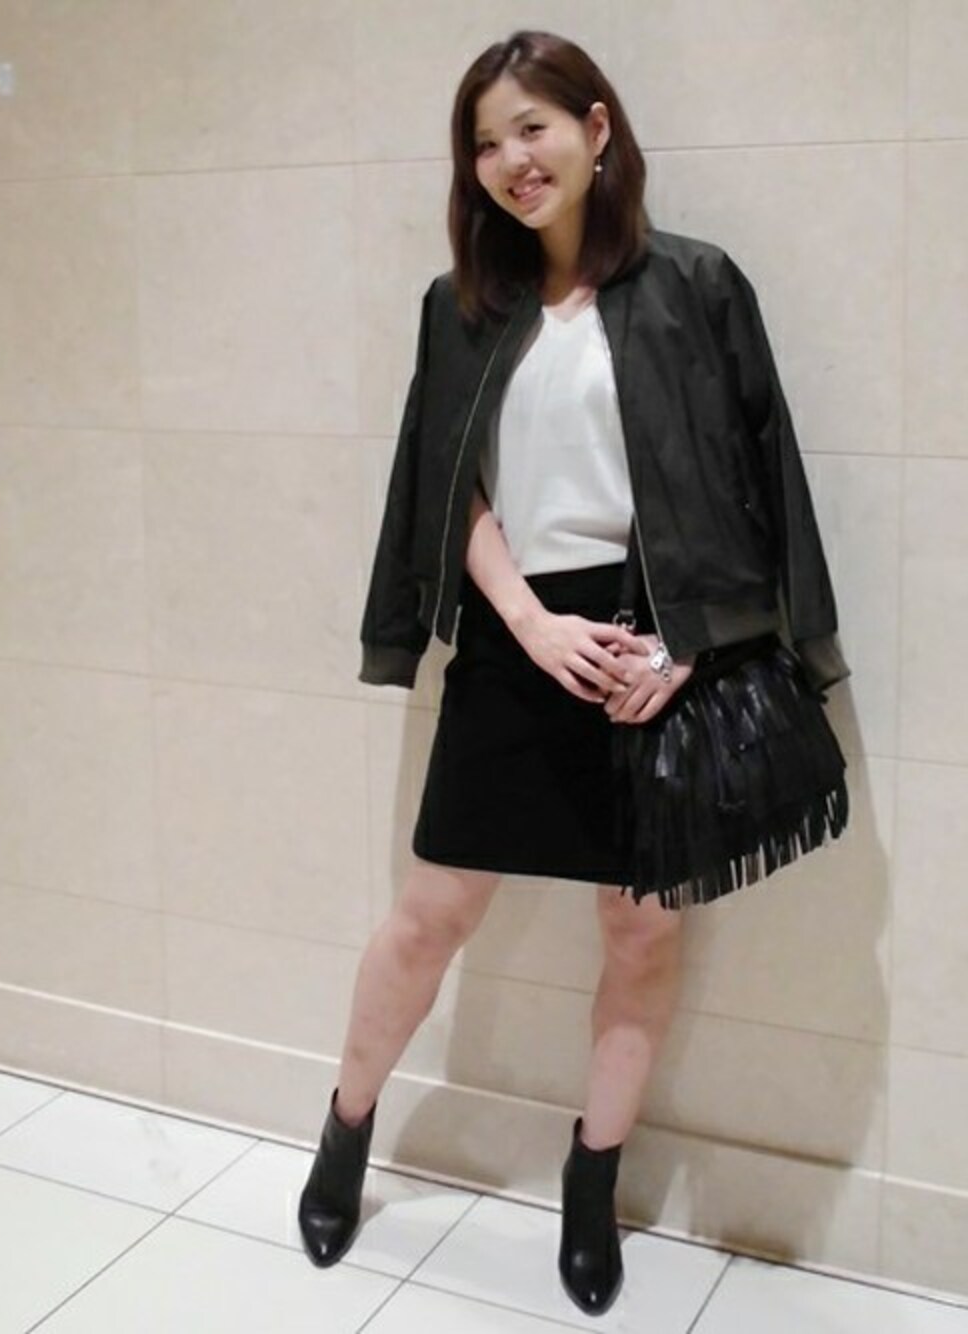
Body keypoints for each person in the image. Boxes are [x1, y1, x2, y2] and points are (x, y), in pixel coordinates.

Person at [298, 29, 850, 1317]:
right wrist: (530, 623)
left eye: (532, 128)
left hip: (655, 645)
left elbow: (757, 483)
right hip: (516, 636)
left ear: (598, 130)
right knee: (431, 913)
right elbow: (447, 489)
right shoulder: (460, 307)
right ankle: (345, 1130)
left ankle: (592, 1183)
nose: (511, 160)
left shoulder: (698, 284)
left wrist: (691, 645)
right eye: (486, 143)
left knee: (641, 928)